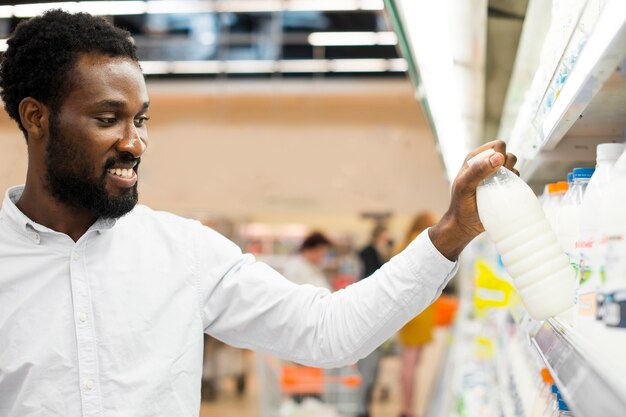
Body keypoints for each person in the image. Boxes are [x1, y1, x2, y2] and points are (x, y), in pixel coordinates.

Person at [0, 10, 518, 416]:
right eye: (108, 118)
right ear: (36, 118)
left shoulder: (184, 252)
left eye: (141, 119)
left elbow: (328, 330)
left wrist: (452, 231)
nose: (135, 142)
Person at [397, 212, 440, 417]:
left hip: (409, 310)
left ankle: (407, 407)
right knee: (411, 363)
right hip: (420, 310)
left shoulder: (404, 244)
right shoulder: (423, 242)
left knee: (409, 362)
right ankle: (408, 409)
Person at [355, 223, 394, 417]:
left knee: (373, 364)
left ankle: (365, 403)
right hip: (370, 311)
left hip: (375, 312)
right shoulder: (370, 253)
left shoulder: (376, 252)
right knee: (368, 365)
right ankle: (362, 406)